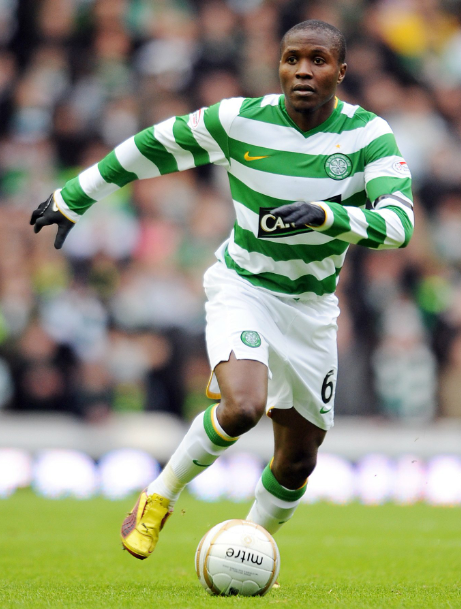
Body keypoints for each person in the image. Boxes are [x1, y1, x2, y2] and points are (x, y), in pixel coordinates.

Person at [30, 20, 413, 560]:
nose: (303, 70)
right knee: (242, 407)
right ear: (278, 66)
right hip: (245, 287)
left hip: (312, 309)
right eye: (292, 59)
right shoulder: (238, 121)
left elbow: (399, 224)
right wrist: (75, 196)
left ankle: (245, 548)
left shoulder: (368, 135)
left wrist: (326, 215)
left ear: (341, 71)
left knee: (298, 461)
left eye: (318, 60)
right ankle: (158, 497)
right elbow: (153, 144)